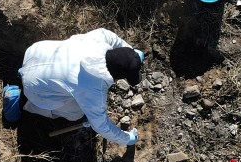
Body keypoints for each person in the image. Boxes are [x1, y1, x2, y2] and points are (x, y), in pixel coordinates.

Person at [15, 28, 144, 146]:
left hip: (35, 52)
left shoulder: (98, 38)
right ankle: (23, 102)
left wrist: (132, 54)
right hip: (33, 87)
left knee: (72, 90)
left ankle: (22, 75)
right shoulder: (95, 87)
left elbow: (115, 41)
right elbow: (101, 125)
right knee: (76, 112)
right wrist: (127, 139)